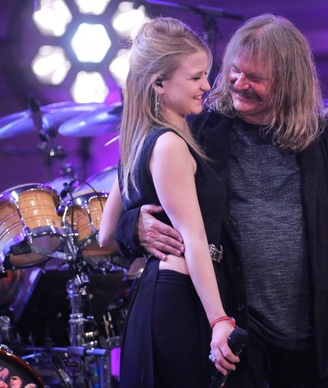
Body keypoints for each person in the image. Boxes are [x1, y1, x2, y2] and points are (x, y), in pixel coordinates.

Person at [112, 13, 328, 387]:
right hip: (237, 337)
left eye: (255, 77)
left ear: (287, 84)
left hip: (310, 339)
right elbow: (132, 186)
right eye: (234, 71)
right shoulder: (201, 129)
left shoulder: (326, 142)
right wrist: (131, 226)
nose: (238, 83)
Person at [98, 17, 239, 387]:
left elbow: (105, 234)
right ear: (159, 83)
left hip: (158, 295)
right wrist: (219, 321)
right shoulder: (169, 144)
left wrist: (136, 224)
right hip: (179, 298)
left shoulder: (139, 142)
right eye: (196, 77)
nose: (207, 86)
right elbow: (193, 239)